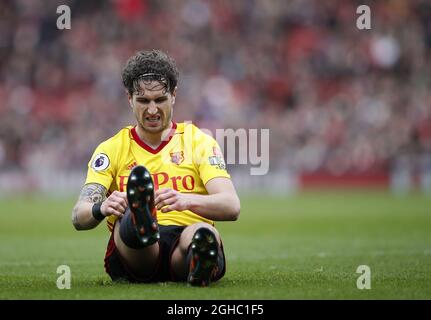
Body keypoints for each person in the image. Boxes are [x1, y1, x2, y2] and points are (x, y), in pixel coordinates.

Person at [71, 49, 240, 286]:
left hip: (184, 235)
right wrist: (102, 207)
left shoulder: (199, 142)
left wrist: (186, 200)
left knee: (202, 232)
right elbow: (79, 216)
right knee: (132, 224)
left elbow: (231, 206)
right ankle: (142, 221)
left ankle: (198, 259)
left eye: (160, 99)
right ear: (129, 98)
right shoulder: (111, 148)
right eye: (143, 101)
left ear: (173, 95)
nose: (152, 110)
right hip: (135, 253)